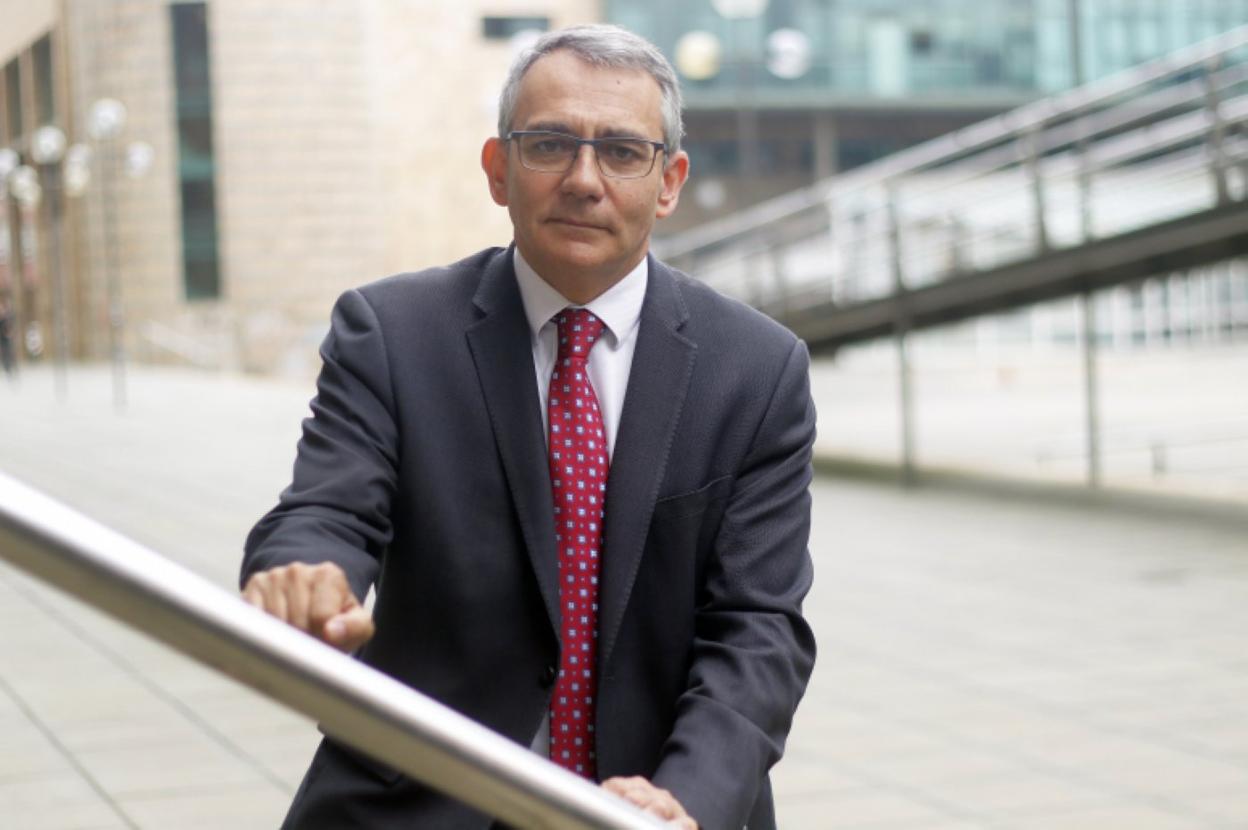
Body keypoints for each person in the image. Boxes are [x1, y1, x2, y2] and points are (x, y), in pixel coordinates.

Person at [241, 23, 815, 830]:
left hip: (656, 804)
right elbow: (326, 509)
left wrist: (686, 798)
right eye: (550, 145)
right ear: (497, 170)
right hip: (421, 798)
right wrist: (305, 573)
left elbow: (758, 627)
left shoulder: (756, 369)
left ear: (670, 181)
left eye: (622, 152)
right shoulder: (393, 335)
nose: (584, 180)